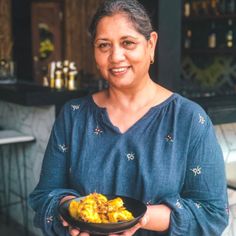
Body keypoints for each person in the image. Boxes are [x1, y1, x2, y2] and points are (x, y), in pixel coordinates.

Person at [29, 0, 229, 235]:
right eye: (104, 45)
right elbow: (44, 196)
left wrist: (139, 218)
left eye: (128, 43)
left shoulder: (190, 120)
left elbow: (212, 214)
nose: (115, 56)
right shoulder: (73, 116)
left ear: (150, 44)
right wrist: (74, 211)